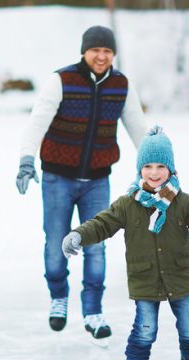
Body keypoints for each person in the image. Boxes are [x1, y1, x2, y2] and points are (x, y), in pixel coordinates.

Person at [61, 126, 189, 360]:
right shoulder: (128, 204)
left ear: (171, 170)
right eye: (147, 166)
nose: (153, 172)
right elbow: (102, 223)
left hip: (180, 277)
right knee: (145, 329)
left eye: (161, 166)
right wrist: (78, 234)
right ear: (139, 170)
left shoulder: (184, 202)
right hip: (144, 279)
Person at [16, 25, 148, 342]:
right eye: (95, 50)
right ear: (84, 52)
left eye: (107, 51)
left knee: (96, 247)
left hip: (97, 180)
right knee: (56, 244)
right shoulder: (61, 81)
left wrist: (157, 168)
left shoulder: (121, 86)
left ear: (113, 54)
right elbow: (38, 121)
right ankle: (59, 297)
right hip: (57, 178)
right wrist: (26, 159)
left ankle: (92, 311)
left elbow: (138, 128)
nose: (101, 56)